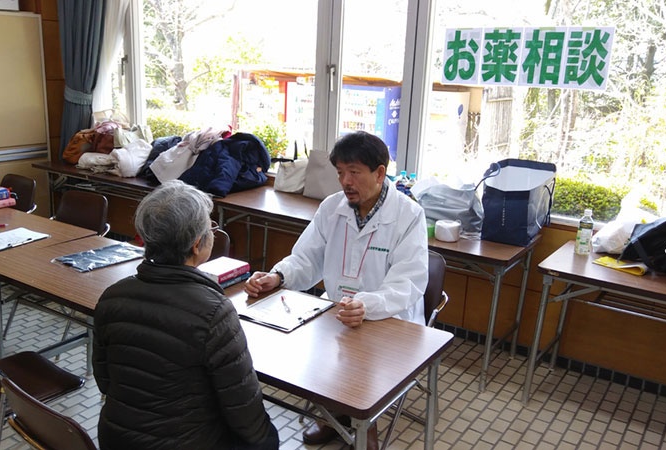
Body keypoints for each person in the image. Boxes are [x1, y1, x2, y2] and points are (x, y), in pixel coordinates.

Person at [244, 131, 429, 449]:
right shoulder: (332, 209)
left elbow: (407, 283)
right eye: (341, 172)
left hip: (389, 318)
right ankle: (332, 418)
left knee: (362, 357)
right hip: (336, 311)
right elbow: (306, 258)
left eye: (354, 172)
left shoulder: (408, 216)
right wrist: (278, 276)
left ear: (380, 173)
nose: (345, 181)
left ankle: (362, 426)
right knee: (319, 348)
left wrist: (367, 305)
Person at [93, 180, 279, 450]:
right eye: (210, 225)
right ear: (196, 244)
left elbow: (105, 380)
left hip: (117, 439)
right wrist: (268, 441)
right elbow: (242, 406)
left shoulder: (112, 296)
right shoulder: (213, 311)